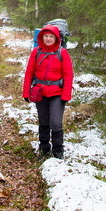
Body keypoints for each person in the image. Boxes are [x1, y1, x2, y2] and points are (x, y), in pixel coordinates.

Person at [22, 24, 73, 159]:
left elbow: (68, 74)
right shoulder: (36, 52)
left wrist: (66, 94)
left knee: (56, 123)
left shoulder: (62, 53)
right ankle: (44, 148)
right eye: (46, 36)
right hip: (40, 92)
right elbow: (29, 72)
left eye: (51, 36)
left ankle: (58, 150)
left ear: (56, 38)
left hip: (57, 93)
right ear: (42, 37)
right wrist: (26, 91)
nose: (48, 39)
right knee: (43, 121)